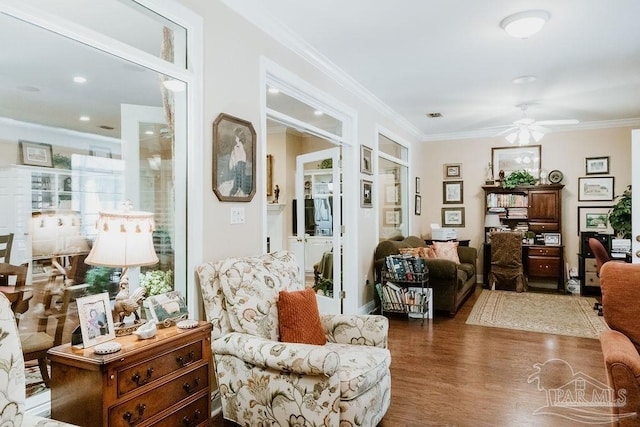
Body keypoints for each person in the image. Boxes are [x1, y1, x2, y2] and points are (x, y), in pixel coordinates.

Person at [229, 127, 247, 196]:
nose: (235, 138)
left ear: (238, 137)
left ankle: (234, 191)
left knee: (238, 178)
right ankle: (236, 190)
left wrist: (235, 163)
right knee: (240, 177)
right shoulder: (239, 146)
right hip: (241, 163)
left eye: (236, 137)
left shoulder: (238, 146)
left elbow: (238, 157)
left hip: (240, 163)